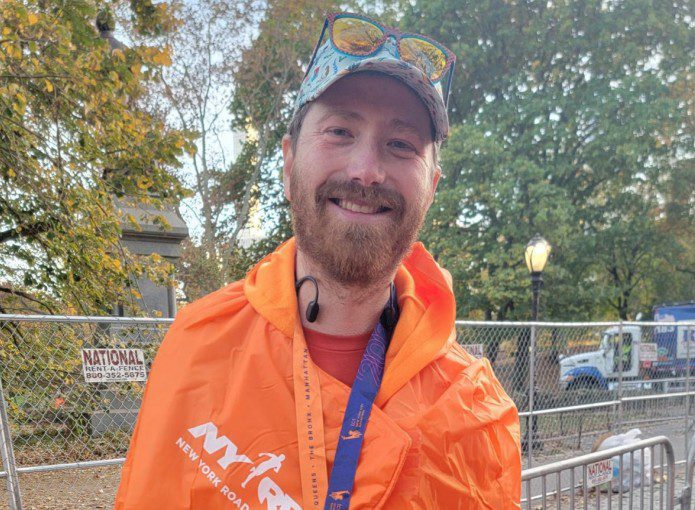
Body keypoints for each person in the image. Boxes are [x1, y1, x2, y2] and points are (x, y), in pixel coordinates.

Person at [115, 11, 521, 509]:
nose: (366, 170)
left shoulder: (477, 417)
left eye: (400, 144)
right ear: (289, 164)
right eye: (340, 131)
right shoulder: (197, 343)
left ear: (431, 188)